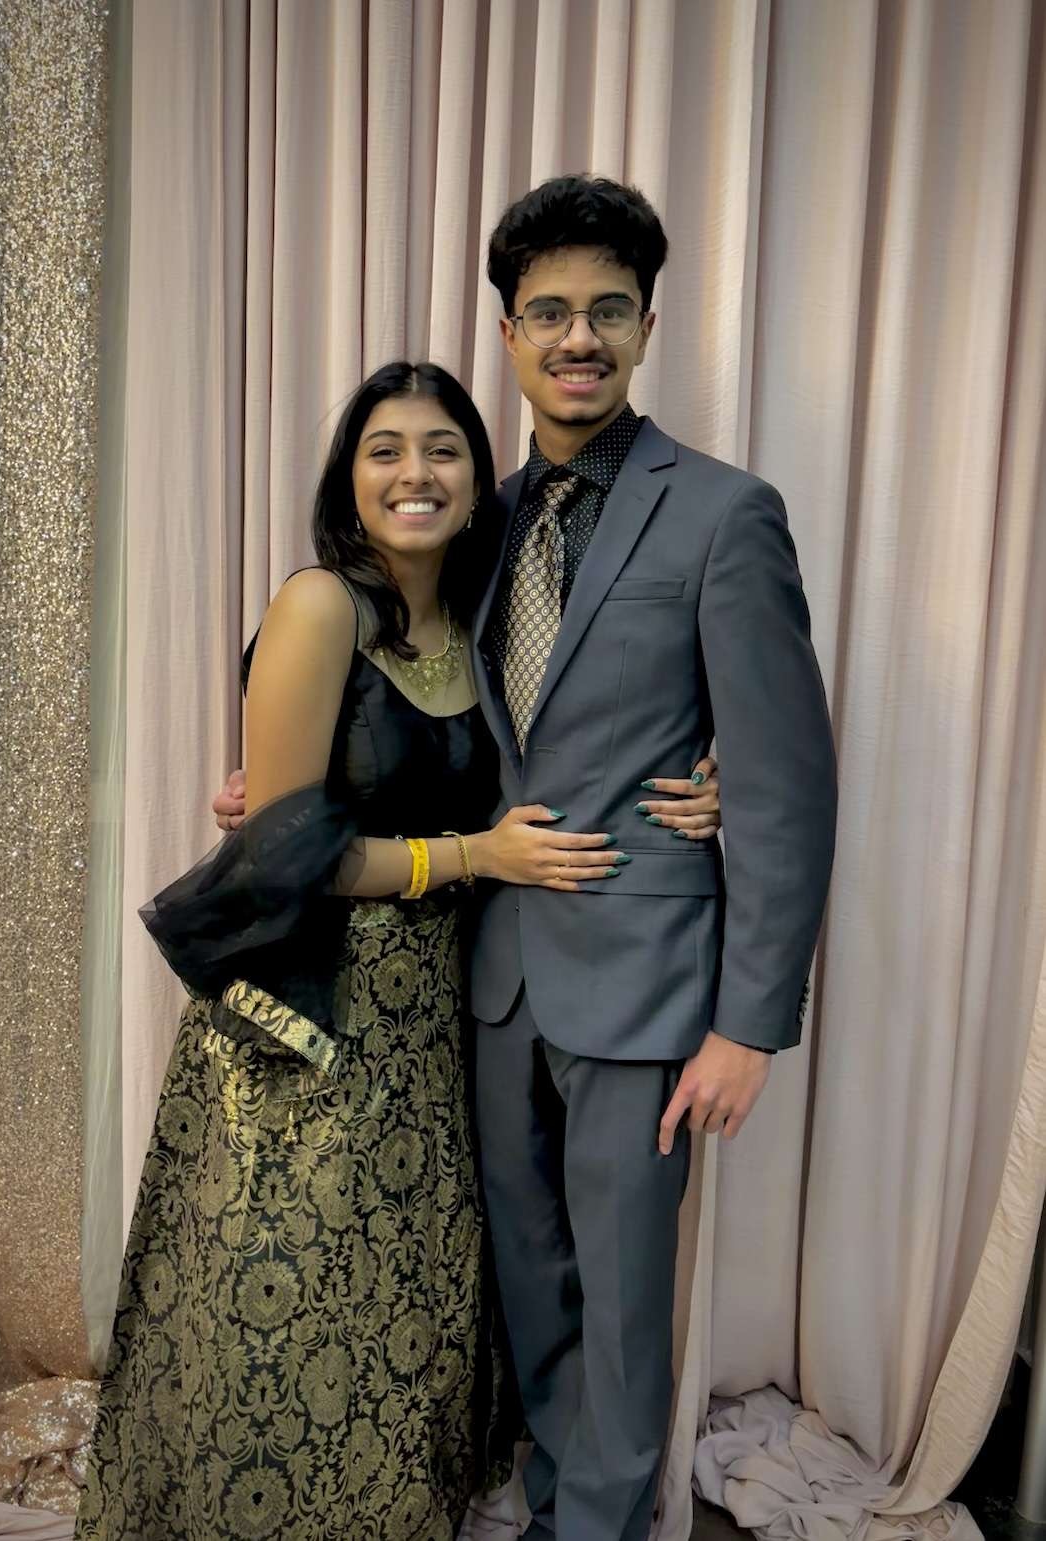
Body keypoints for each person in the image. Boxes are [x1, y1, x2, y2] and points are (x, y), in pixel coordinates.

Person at [214, 175, 837, 1541]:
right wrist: (284, 790)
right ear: (508, 335)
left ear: (646, 327)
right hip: (491, 977)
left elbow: (788, 780)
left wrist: (748, 1022)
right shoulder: (478, 517)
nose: (577, 337)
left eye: (606, 310)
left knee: (619, 1295)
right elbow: (424, 698)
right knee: (530, 1282)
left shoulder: (725, 512)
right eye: (548, 311)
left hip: (646, 976)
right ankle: (557, 1499)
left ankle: (603, 1525)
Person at [77, 359, 721, 1541]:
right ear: (349, 478)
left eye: (442, 449)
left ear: (479, 484)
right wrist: (476, 852)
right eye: (385, 449)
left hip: (434, 1011)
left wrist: (711, 768)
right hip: (309, 1006)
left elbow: (595, 721)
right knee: (277, 1282)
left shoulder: (481, 618)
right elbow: (289, 852)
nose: (414, 472)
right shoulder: (322, 604)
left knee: (399, 1291)